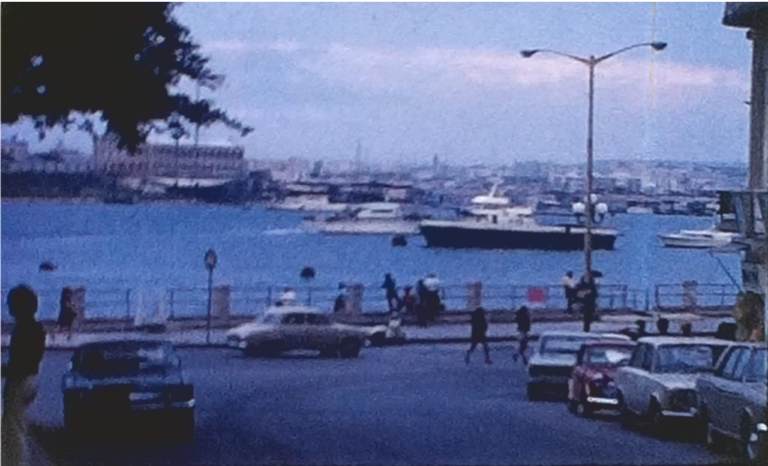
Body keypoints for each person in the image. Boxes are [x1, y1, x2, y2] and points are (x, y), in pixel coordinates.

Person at [0, 285, 47, 466]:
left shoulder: (27, 329)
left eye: (11, 303)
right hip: (23, 380)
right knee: (14, 426)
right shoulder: (31, 328)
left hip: (19, 381)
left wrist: (5, 371)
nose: (8, 307)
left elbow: (23, 363)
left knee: (13, 429)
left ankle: (14, 462)